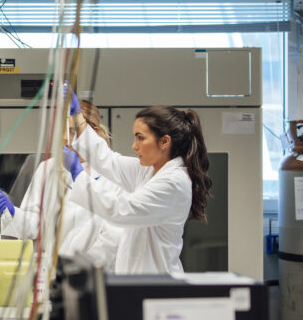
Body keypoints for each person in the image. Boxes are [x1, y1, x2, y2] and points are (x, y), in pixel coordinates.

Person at [67, 98, 211, 274]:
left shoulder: (174, 182)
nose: (134, 146)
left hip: (158, 285)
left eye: (140, 138)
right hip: (139, 281)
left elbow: (121, 210)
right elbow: (109, 160)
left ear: (165, 141)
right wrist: (78, 118)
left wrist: (78, 174)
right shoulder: (149, 170)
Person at [0, 101, 121, 270]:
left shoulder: (113, 173)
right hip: (54, 272)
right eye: (62, 132)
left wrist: (81, 266)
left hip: (97, 272)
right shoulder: (48, 169)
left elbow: (114, 234)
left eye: (72, 131)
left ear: (93, 132)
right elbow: (36, 225)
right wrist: (14, 213)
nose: (65, 139)